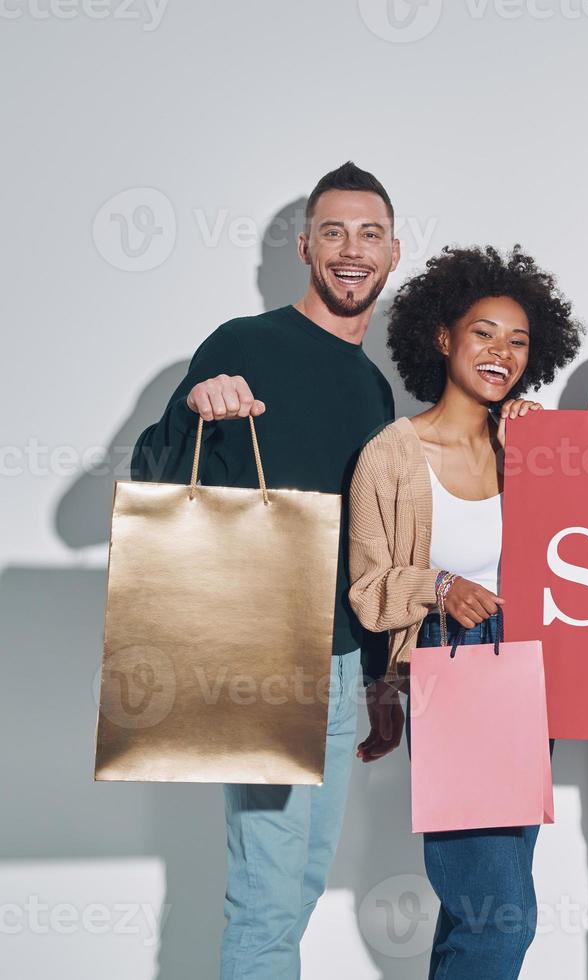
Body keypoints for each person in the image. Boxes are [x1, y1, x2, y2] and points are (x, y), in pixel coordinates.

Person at [129, 162, 400, 979]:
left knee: (300, 881)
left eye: (370, 234)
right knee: (268, 895)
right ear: (304, 245)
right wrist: (197, 404)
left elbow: (370, 540)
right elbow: (150, 470)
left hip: (344, 665)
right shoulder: (245, 343)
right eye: (334, 232)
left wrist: (381, 682)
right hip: (260, 653)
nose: (352, 250)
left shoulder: (374, 387)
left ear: (393, 252)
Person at [347, 244, 583, 979]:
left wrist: (542, 453)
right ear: (443, 337)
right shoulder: (392, 453)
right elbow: (366, 585)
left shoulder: (526, 448)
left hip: (527, 672)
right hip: (451, 663)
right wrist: (440, 588)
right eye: (484, 333)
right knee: (500, 915)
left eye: (517, 341)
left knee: (476, 907)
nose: (501, 352)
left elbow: (584, 553)